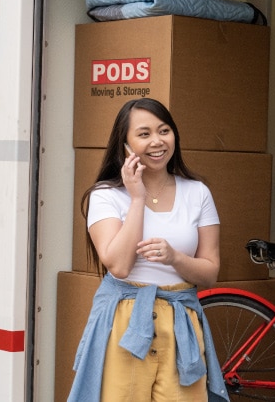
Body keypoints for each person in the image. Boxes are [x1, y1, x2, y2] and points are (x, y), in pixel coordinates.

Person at [68, 98, 229, 402]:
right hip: (124, 320)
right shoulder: (106, 195)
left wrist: (175, 258)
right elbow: (119, 266)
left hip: (180, 320)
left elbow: (210, 273)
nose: (157, 141)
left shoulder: (198, 192)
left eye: (164, 130)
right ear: (125, 144)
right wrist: (137, 198)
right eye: (143, 134)